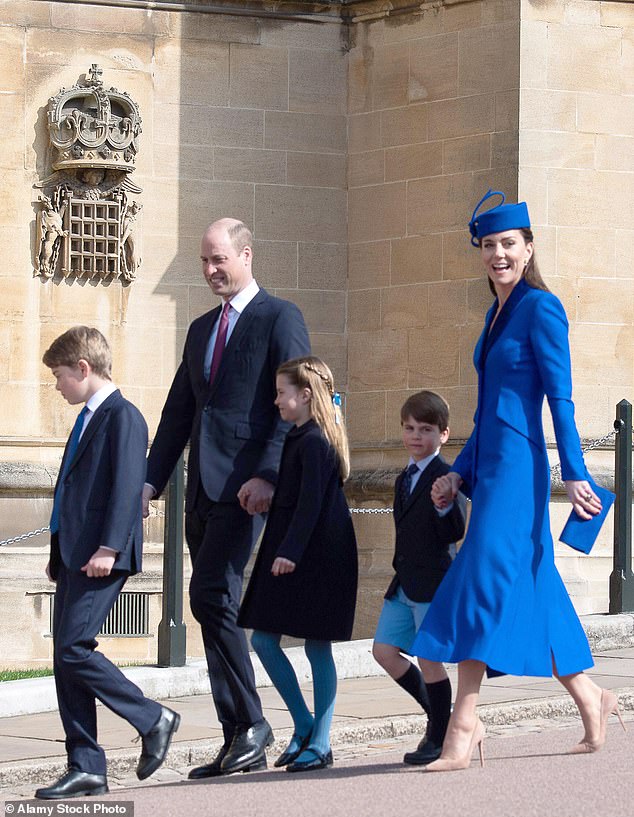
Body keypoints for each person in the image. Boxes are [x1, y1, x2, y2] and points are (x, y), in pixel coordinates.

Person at [412, 190, 625, 772]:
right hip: (493, 462)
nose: (498, 254)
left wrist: (575, 473)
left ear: (529, 249)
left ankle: (463, 723)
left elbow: (560, 399)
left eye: (509, 244)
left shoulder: (541, 308)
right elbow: (489, 411)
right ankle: (594, 698)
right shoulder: (494, 313)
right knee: (534, 583)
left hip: (521, 470)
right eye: (489, 245)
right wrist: (456, 472)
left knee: (480, 577)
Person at [143, 219, 310, 778]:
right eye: (205, 262)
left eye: (221, 259)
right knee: (213, 601)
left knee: (211, 591)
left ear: (246, 254)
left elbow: (295, 402)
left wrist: (268, 475)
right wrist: (150, 481)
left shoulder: (279, 316)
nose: (212, 270)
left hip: (247, 491)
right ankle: (239, 731)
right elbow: (179, 414)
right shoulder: (199, 330)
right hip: (202, 491)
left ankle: (253, 725)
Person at [37, 327, 179, 800]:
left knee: (75, 648)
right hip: (77, 555)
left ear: (83, 368)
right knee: (65, 658)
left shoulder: (123, 417)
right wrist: (59, 553)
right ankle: (86, 765)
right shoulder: (86, 419)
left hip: (103, 555)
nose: (56, 386)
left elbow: (124, 487)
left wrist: (109, 549)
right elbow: (71, 492)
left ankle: (151, 717)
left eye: (59, 376)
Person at [238, 356, 358, 772]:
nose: (276, 401)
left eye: (281, 393)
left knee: (316, 644)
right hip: (289, 547)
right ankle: (304, 724)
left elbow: (310, 506)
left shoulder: (316, 441)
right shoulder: (299, 436)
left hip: (316, 554)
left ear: (305, 395)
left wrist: (288, 551)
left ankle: (320, 740)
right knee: (263, 640)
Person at [372, 391, 465, 766]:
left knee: (429, 658)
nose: (415, 436)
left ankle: (439, 735)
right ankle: (441, 717)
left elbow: (454, 530)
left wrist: (444, 506)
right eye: (409, 428)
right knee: (384, 652)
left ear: (443, 434)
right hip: (404, 581)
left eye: (425, 429)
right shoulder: (403, 478)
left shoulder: (445, 475)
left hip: (433, 582)